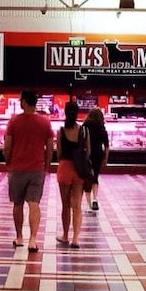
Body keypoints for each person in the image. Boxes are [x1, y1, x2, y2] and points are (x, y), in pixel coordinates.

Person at [3, 90, 54, 253]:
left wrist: (8, 161)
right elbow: (50, 146)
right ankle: (33, 239)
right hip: (37, 168)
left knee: (17, 204)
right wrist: (46, 166)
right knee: (34, 204)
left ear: (24, 101)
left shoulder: (14, 121)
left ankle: (19, 237)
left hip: (17, 168)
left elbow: (7, 145)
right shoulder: (45, 121)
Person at [55, 101, 88, 248]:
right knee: (77, 206)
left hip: (64, 168)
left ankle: (65, 235)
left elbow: (59, 153)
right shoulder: (83, 130)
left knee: (65, 205)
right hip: (79, 169)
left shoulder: (61, 131)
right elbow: (89, 151)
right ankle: (76, 238)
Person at [82, 107, 109, 211]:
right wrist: (105, 159)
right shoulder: (102, 128)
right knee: (95, 177)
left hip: (87, 155)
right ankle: (95, 199)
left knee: (87, 178)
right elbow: (106, 146)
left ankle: (88, 204)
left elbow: (81, 141)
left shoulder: (85, 126)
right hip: (98, 155)